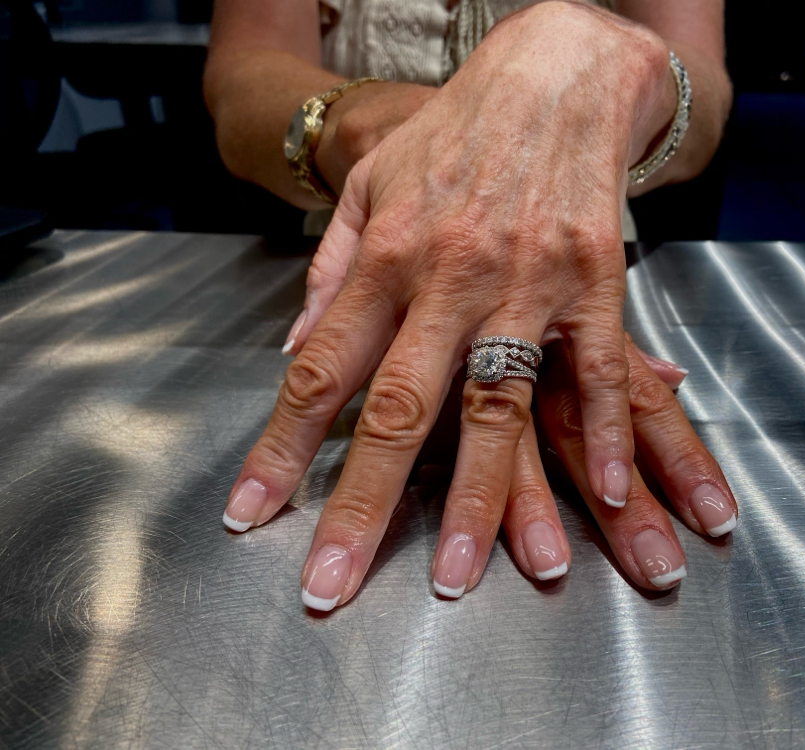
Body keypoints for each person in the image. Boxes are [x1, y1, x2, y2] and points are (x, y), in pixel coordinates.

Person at [204, 0, 737, 611]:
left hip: (578, 276)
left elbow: (706, 100)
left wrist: (622, 68)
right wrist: (381, 130)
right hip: (366, 276)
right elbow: (241, 78)